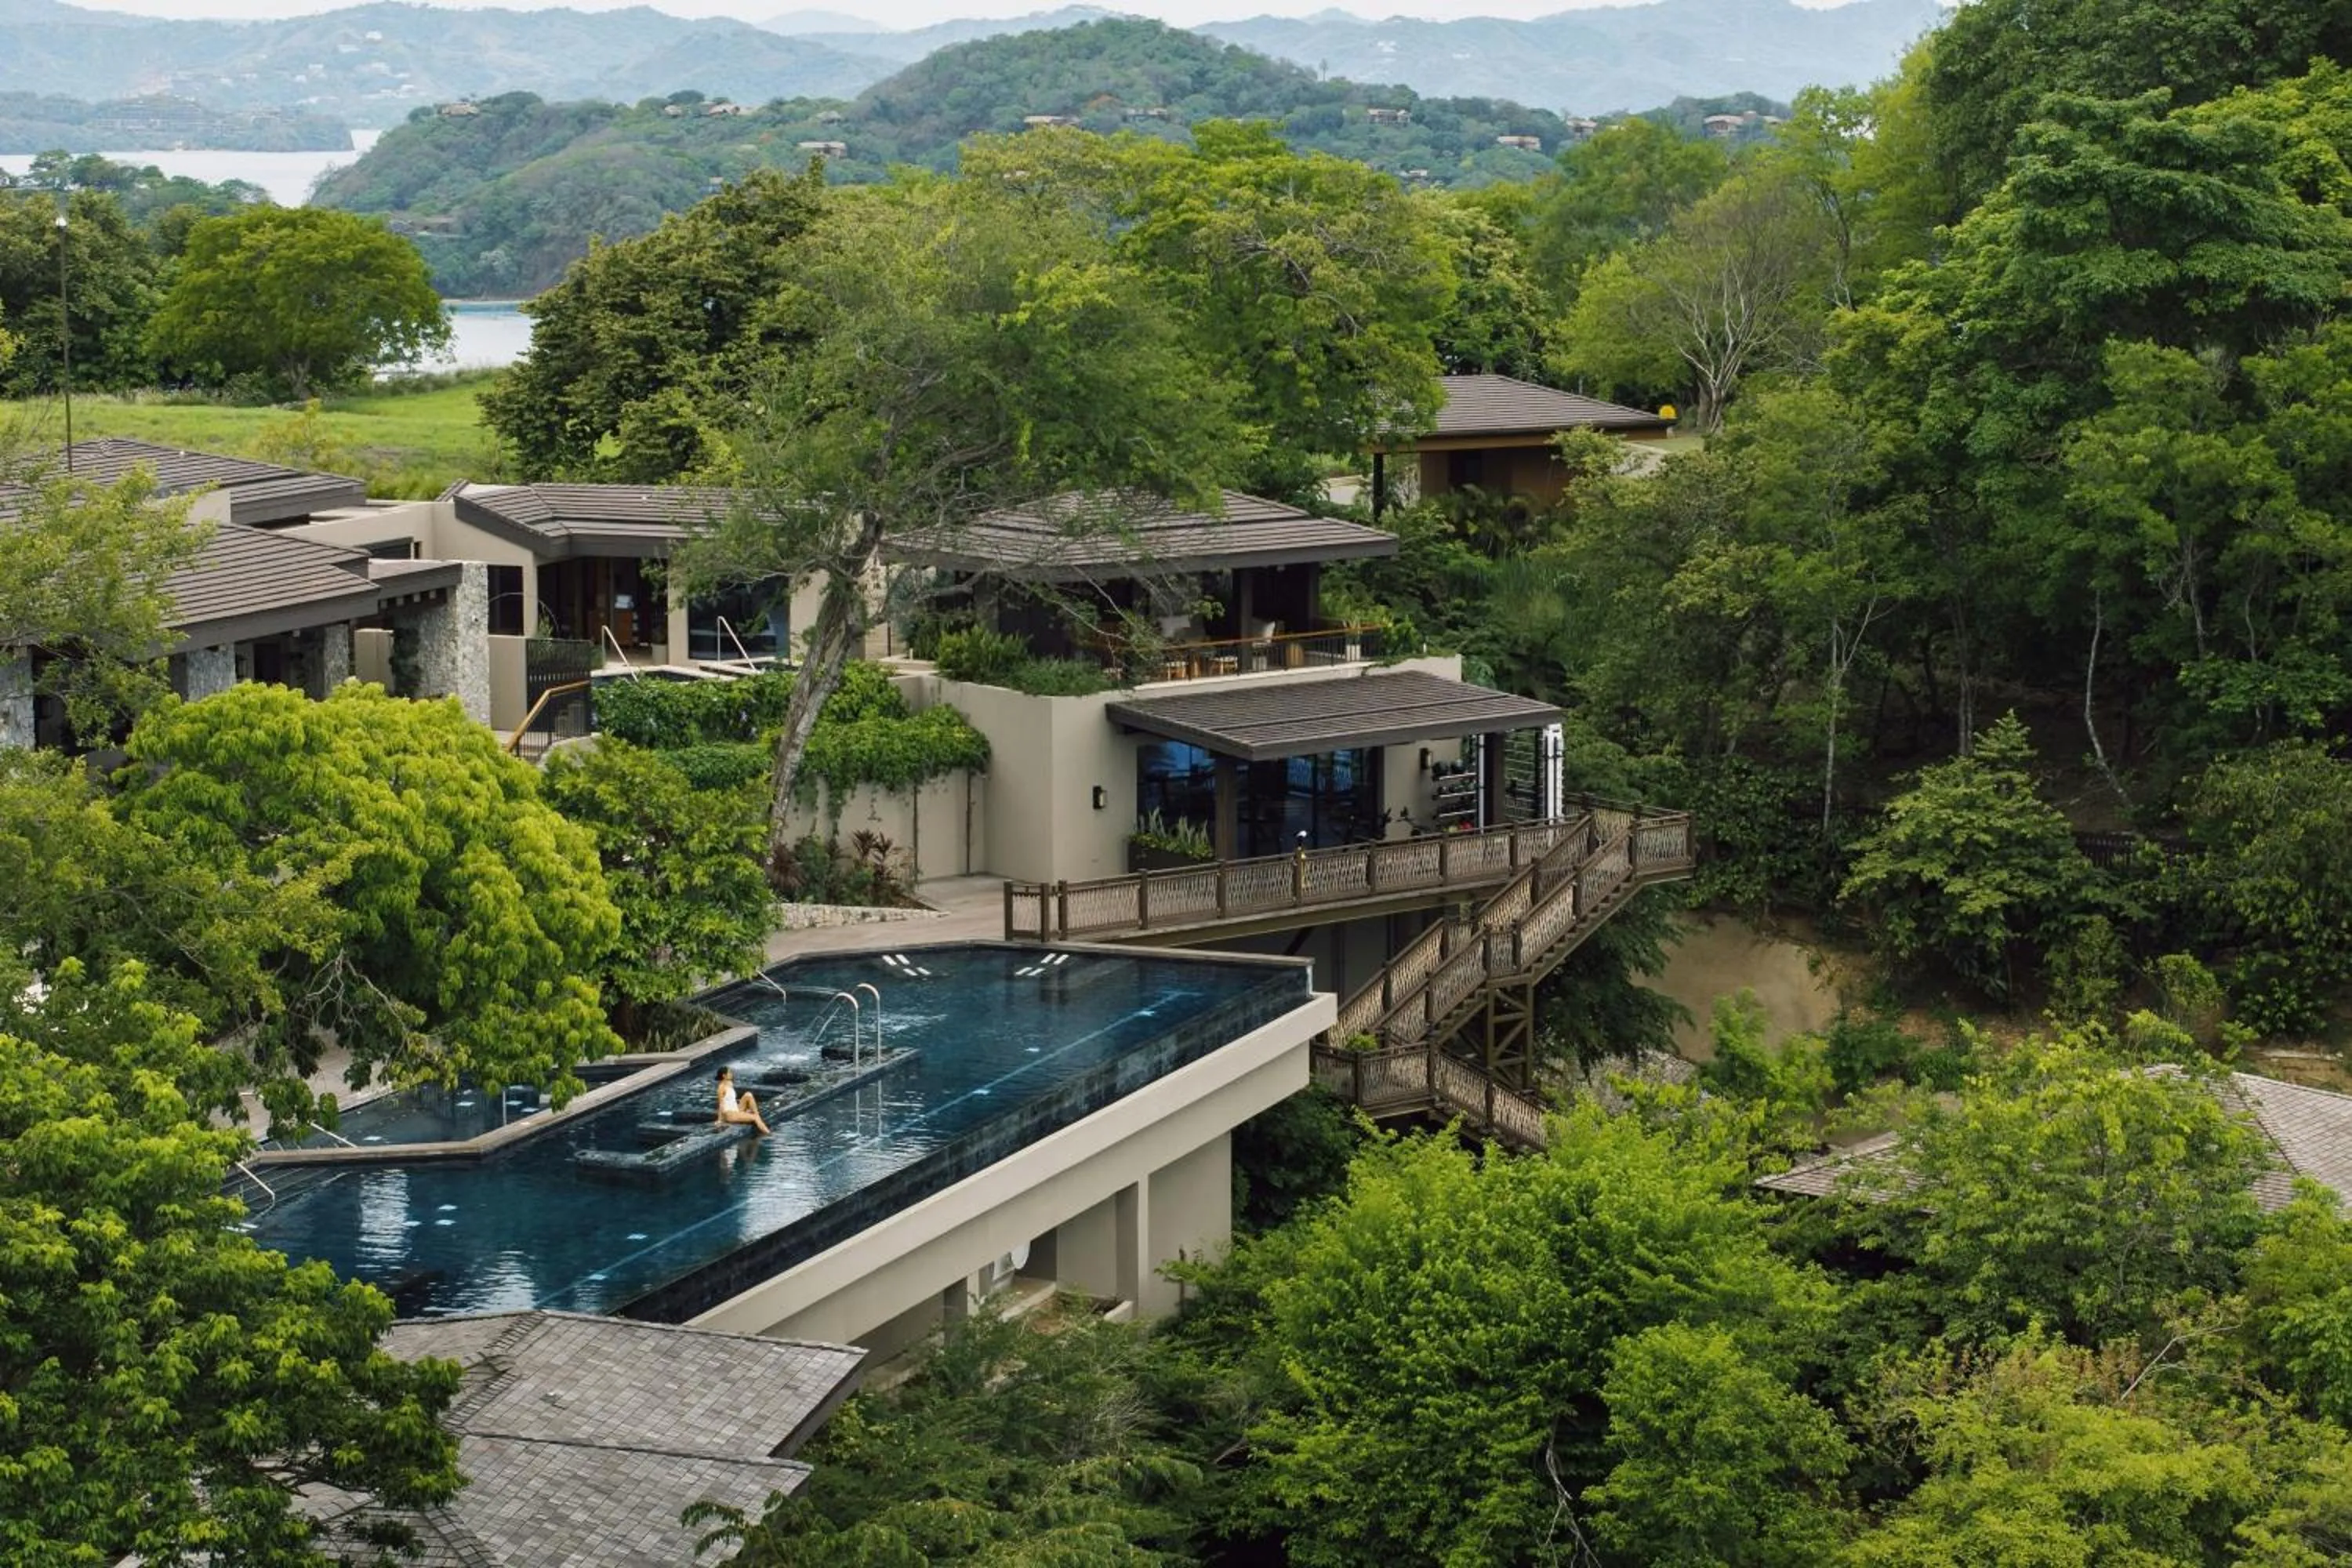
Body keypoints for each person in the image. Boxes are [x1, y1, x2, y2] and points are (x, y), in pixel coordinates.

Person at [713, 1066, 770, 1135]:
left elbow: (730, 1100)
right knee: (755, 1118)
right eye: (730, 1073)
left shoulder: (730, 1083)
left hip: (736, 1109)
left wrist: (741, 1105)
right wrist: (720, 1120)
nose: (732, 1074)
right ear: (724, 1076)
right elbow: (721, 1104)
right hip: (730, 1114)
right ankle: (769, 1134)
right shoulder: (721, 1088)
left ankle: (757, 1114)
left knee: (748, 1095)